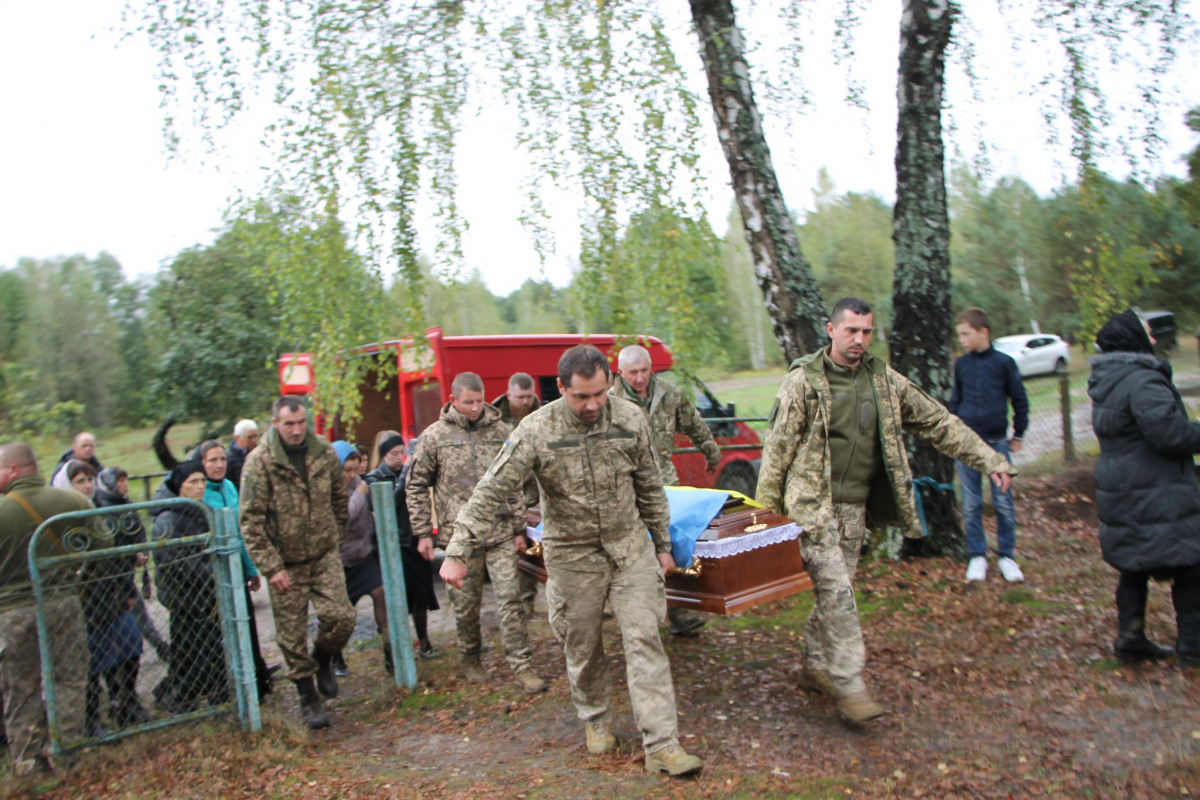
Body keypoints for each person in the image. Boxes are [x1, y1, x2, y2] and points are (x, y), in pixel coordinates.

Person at [441, 345, 703, 777]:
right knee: (582, 646)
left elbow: (650, 485)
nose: (593, 404)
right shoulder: (536, 429)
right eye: (581, 396)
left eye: (600, 393)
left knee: (644, 639)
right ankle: (596, 722)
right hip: (572, 556)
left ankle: (663, 744)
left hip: (628, 548)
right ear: (560, 388)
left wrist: (660, 543)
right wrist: (457, 550)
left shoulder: (628, 418)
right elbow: (490, 489)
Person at [756, 297, 1016, 725]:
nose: (859, 339)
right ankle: (850, 685)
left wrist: (989, 460)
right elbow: (776, 454)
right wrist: (763, 523)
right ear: (830, 330)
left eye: (866, 332)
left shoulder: (883, 381)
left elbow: (939, 422)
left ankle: (814, 666)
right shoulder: (803, 382)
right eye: (851, 331)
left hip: (854, 510)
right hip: (810, 511)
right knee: (840, 595)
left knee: (834, 594)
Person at [407, 372, 545, 693]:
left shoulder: (500, 432)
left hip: (498, 532)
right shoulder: (435, 437)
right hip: (460, 539)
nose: (474, 408)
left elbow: (513, 484)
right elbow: (416, 486)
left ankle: (522, 664)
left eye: (479, 401)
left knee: (510, 599)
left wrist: (517, 528)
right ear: (453, 400)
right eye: (467, 402)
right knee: (467, 605)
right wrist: (423, 531)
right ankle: (471, 658)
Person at [1088, 308, 1200, 666]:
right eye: (1148, 332)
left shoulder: (1108, 378)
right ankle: (1192, 648)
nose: (1154, 338)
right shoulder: (1142, 380)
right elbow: (1169, 434)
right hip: (1154, 488)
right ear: (1134, 339)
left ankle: (1130, 639)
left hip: (1122, 487)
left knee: (1134, 565)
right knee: (1191, 565)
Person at [240, 397, 356, 730]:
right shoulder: (259, 462)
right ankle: (308, 696)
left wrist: (335, 536)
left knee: (343, 617)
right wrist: (270, 566)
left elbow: (339, 496)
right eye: (288, 424)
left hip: (322, 554)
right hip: (285, 562)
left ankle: (322, 658)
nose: (295, 430)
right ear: (275, 423)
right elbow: (250, 521)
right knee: (291, 637)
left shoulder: (322, 451)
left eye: (301, 422)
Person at [611, 343, 722, 637]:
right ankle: (637, 613)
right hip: (629, 486)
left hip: (665, 482)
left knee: (671, 544)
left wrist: (711, 451)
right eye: (632, 372)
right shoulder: (610, 401)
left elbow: (693, 423)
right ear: (620, 372)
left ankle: (680, 610)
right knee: (636, 549)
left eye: (644, 371)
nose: (639, 378)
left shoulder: (668, 393)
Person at [0, 443, 91, 775]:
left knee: (19, 687)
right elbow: (102, 544)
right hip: (63, 603)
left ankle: (29, 762)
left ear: (13, 470)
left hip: (12, 612)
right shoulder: (71, 501)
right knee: (69, 678)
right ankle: (69, 754)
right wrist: (78, 583)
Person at [949, 307, 1030, 583]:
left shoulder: (1004, 363)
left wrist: (1018, 434)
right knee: (971, 503)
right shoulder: (961, 365)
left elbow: (1019, 398)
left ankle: (1006, 556)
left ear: (983, 332)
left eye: (966, 334)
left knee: (1003, 502)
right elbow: (956, 401)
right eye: (959, 335)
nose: (961, 340)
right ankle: (977, 556)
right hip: (967, 446)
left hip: (997, 444)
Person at [195, 439, 277, 697]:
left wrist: (252, 568)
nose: (219, 465)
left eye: (222, 460)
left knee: (247, 622)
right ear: (202, 464)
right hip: (214, 574)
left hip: (238, 569)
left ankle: (257, 677)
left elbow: (242, 533)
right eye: (212, 461)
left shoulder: (230, 486)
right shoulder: (199, 495)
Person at [152, 460, 228, 713]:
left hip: (208, 598)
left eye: (202, 481)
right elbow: (178, 562)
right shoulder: (168, 519)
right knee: (194, 659)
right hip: (186, 601)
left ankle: (214, 699)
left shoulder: (202, 510)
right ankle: (178, 699)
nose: (200, 486)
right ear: (179, 486)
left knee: (209, 655)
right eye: (192, 482)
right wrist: (215, 573)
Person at [365, 432, 441, 660]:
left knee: (421, 596)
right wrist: (407, 473)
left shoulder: (408, 472)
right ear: (382, 455)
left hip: (413, 540)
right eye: (393, 454)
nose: (399, 458)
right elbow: (388, 502)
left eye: (402, 452)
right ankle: (393, 648)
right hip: (391, 545)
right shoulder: (373, 477)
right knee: (394, 600)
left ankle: (425, 642)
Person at [330, 441, 393, 676]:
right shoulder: (327, 489)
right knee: (341, 616)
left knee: (380, 593)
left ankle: (390, 648)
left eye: (354, 470)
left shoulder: (359, 483)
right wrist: (359, 494)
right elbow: (343, 515)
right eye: (345, 470)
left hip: (362, 554)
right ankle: (335, 657)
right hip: (338, 561)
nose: (350, 475)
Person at [495, 372, 542, 621]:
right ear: (509, 394)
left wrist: (530, 472)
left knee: (536, 549)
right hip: (506, 498)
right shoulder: (493, 417)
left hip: (535, 497)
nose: (525, 401)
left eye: (528, 396)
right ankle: (520, 607)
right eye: (520, 396)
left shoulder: (541, 415)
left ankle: (530, 602)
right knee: (512, 552)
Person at [226, 419, 259, 490]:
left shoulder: (260, 454)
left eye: (255, 436)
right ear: (237, 437)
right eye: (250, 437)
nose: (254, 440)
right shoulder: (229, 459)